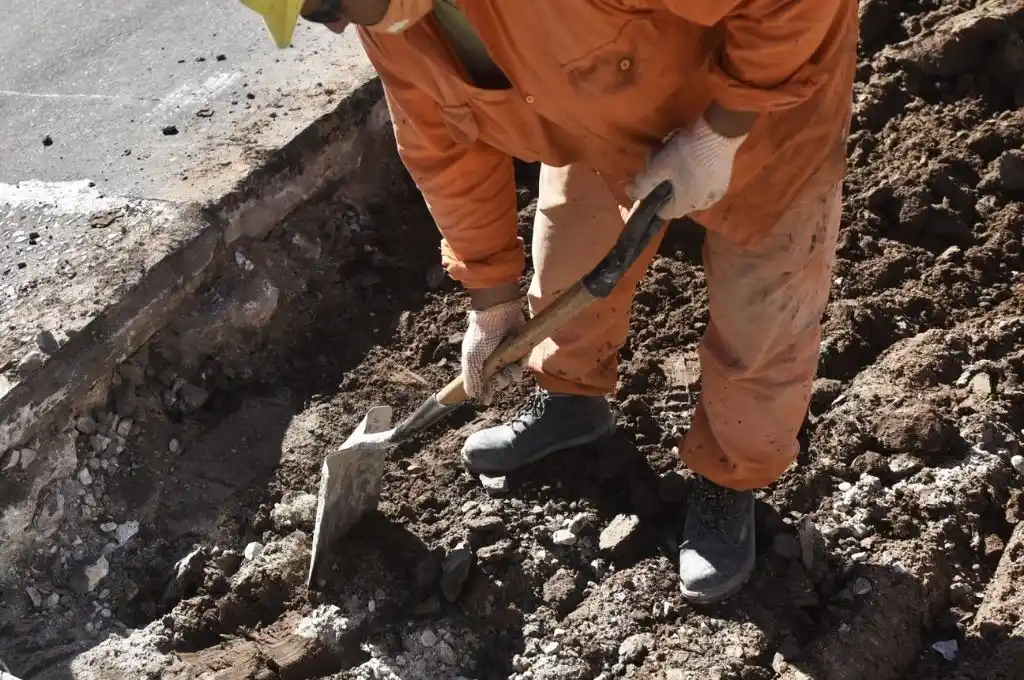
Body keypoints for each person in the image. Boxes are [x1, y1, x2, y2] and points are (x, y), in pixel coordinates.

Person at [239, 0, 858, 603]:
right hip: (602, 110)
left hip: (768, 106)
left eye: (324, 8)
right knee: (568, 264)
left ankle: (729, 480)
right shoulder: (396, 28)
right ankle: (569, 401)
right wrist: (491, 301)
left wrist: (719, 132)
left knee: (761, 319)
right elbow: (443, 147)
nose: (336, 30)